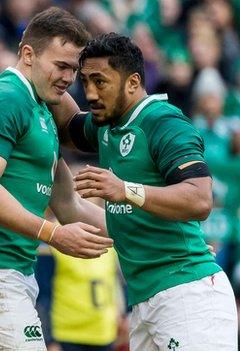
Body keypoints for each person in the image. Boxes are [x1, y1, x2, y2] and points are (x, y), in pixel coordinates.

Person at [0, 7, 114, 351]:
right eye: (60, 66)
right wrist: (53, 234)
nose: (68, 78)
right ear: (28, 54)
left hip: (10, 272)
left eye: (73, 70)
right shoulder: (7, 98)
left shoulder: (41, 107)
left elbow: (69, 206)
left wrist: (151, 231)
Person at [50, 32, 237, 350]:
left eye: (100, 81)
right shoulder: (107, 126)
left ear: (133, 82)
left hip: (187, 295)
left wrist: (126, 190)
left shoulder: (164, 123)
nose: (91, 93)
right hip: (145, 302)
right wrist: (42, 77)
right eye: (85, 81)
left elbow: (200, 198)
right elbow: (67, 125)